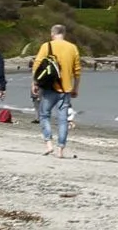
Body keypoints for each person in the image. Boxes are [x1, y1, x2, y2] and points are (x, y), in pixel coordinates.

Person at [29, 25, 84, 158]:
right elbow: (77, 71)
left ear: (52, 34)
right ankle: (60, 149)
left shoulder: (46, 46)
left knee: (44, 115)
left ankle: (48, 144)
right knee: (63, 119)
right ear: (64, 34)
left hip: (49, 88)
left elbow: (37, 66)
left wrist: (34, 83)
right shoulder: (72, 48)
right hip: (65, 89)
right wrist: (75, 88)